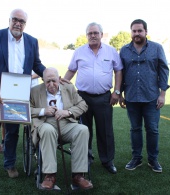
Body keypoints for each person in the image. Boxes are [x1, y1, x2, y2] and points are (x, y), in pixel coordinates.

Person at [0, 8, 46, 182]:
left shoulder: (32, 41)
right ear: (9, 20)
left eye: (22, 21)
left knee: (13, 131)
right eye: (15, 19)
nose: (18, 23)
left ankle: (10, 164)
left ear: (25, 24)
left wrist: (49, 75)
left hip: (18, 94)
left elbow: (37, 64)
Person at [64, 22, 123, 174]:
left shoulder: (111, 52)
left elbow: (118, 71)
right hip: (82, 98)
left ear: (101, 34)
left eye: (96, 33)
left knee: (105, 131)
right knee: (84, 130)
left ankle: (107, 160)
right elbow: (71, 71)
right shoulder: (79, 52)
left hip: (104, 98)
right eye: (90, 33)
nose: (93, 36)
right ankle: (86, 159)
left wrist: (117, 91)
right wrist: (61, 87)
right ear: (87, 36)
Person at [119, 19, 170, 173]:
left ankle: (153, 159)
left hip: (151, 97)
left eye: (140, 30)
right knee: (135, 129)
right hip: (132, 97)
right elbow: (120, 72)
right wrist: (120, 94)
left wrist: (162, 94)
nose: (137, 34)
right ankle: (136, 158)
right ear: (131, 32)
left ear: (146, 32)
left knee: (152, 129)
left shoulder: (156, 48)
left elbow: (164, 70)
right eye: (134, 31)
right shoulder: (124, 50)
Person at [30, 67, 93, 190]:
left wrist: (67, 112)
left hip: (66, 123)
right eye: (48, 82)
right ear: (43, 81)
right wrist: (43, 111)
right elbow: (26, 109)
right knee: (48, 130)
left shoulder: (69, 88)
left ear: (59, 79)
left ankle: (78, 176)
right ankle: (50, 176)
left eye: (54, 80)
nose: (51, 84)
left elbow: (83, 105)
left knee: (83, 130)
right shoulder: (35, 91)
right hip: (45, 124)